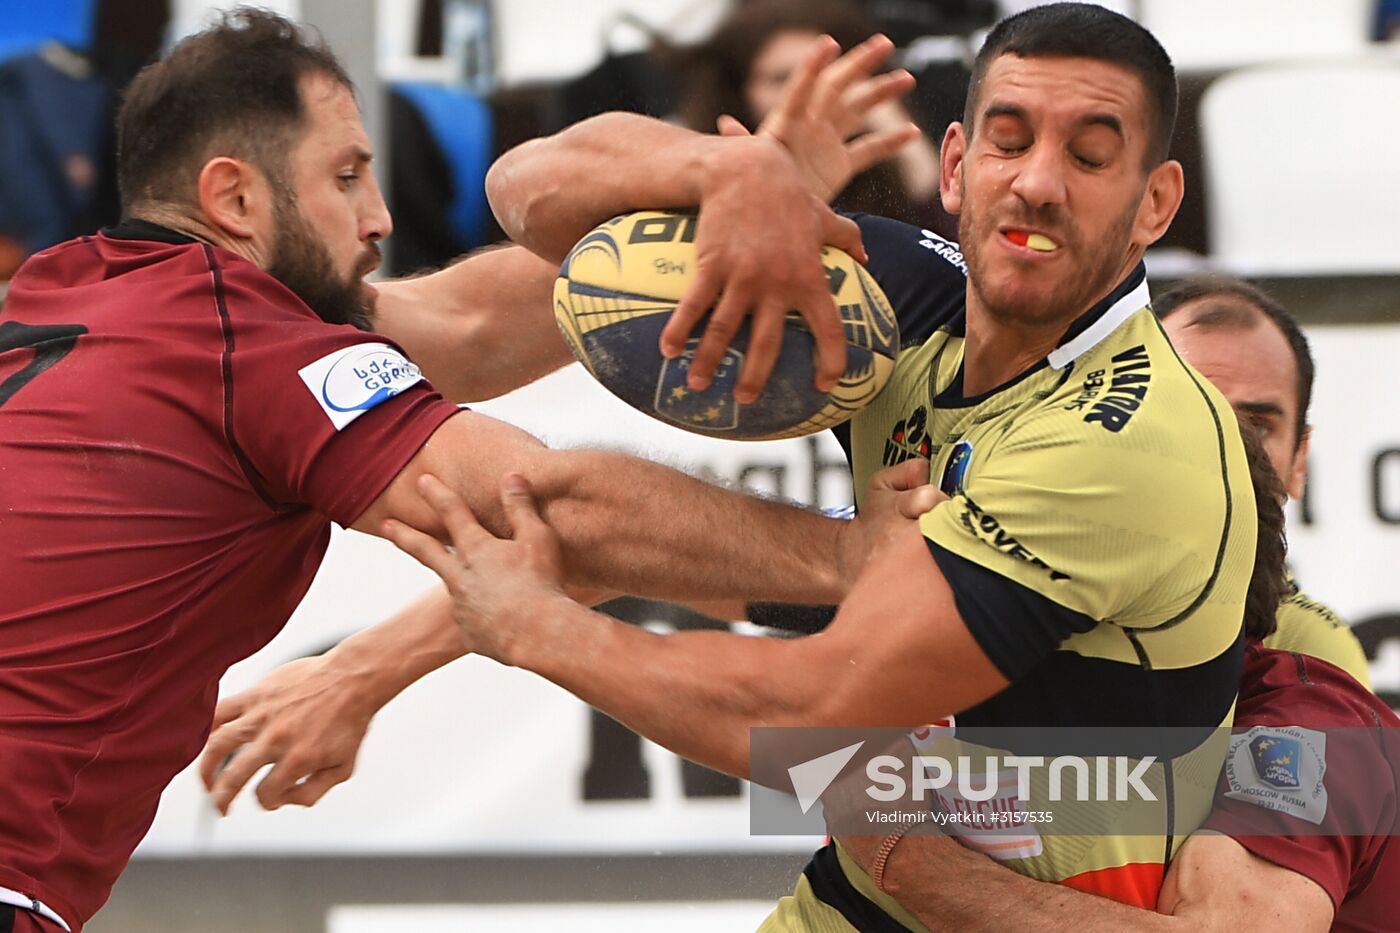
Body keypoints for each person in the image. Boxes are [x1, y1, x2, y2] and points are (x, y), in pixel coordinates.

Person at [207, 4, 1260, 926]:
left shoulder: (1118, 441)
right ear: (952, 165)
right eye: (1007, 141)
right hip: (872, 896)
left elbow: (807, 723)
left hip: (1044, 911)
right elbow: (520, 214)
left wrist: (536, 632)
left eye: (1088, 154)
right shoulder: (908, 298)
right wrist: (740, 170)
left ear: (1155, 203)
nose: (1034, 183)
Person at [0, 9, 927, 931]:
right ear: (235, 200)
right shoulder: (241, 343)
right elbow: (546, 507)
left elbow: (475, 323)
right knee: (963, 855)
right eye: (347, 175)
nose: (382, 214)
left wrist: (757, 194)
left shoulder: (71, 294)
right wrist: (852, 559)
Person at [1155, 278, 1370, 686]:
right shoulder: (1039, 594)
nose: (1228, 445)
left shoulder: (1313, 653)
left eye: (1256, 425)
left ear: (1299, 461)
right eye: (1190, 408)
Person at [665, 0, 954, 237]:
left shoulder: (880, 177)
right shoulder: (695, 172)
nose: (802, 92)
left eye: (822, 74)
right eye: (781, 79)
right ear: (738, 92)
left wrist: (903, 140)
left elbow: (955, 261)